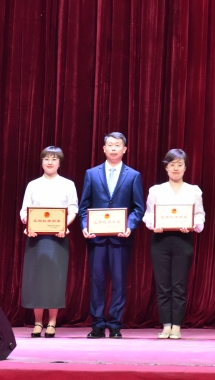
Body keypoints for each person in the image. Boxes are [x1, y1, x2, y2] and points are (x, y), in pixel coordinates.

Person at [79, 132, 145, 339]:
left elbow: (138, 208)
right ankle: (97, 324)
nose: (114, 148)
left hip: (121, 238)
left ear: (125, 149)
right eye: (110, 145)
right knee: (97, 282)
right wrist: (85, 226)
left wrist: (130, 225)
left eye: (117, 145)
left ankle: (115, 324)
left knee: (118, 282)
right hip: (96, 238)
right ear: (104, 148)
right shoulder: (91, 174)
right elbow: (84, 206)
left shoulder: (133, 175)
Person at [142, 149, 205, 340]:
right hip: (160, 241)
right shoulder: (156, 190)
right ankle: (166, 325)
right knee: (163, 285)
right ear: (166, 167)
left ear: (185, 167)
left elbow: (199, 215)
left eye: (179, 164)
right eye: (172, 164)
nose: (176, 168)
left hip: (183, 241)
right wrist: (153, 225)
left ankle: (176, 325)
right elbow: (148, 214)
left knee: (179, 285)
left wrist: (192, 225)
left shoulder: (194, 190)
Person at [20, 146, 78, 338]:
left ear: (60, 162)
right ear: (41, 162)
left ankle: (52, 322)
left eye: (54, 159)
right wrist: (28, 223)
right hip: (36, 238)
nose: (50, 162)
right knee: (36, 278)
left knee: (55, 279)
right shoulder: (33, 185)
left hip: (58, 239)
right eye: (46, 159)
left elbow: (73, 209)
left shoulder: (68, 184)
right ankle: (38, 322)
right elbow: (24, 210)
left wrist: (64, 225)